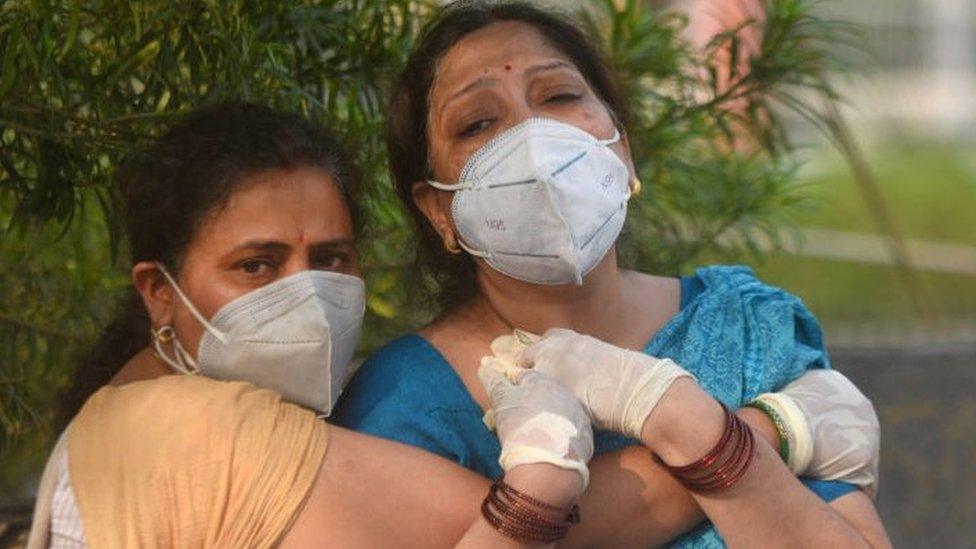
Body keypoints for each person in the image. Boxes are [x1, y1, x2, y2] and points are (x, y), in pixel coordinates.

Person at [332, 2, 891, 547]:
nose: (532, 137)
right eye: (479, 123)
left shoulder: (747, 327)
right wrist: (760, 431)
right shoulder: (404, 402)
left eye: (559, 96)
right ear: (438, 212)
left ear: (620, 152)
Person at [26, 103, 614, 548]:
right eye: (256, 265)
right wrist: (686, 421)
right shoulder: (192, 426)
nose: (305, 292)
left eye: (331, 259)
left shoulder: (120, 410)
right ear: (159, 293)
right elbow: (561, 532)